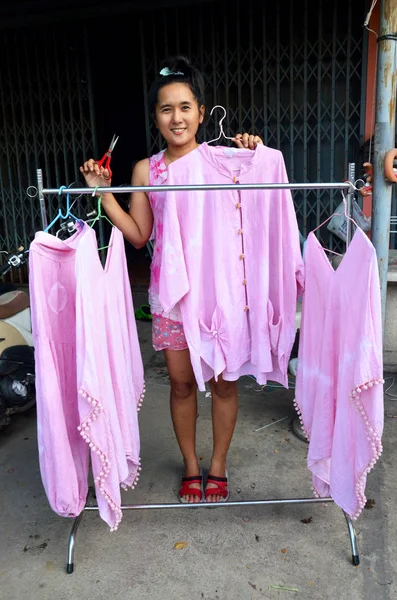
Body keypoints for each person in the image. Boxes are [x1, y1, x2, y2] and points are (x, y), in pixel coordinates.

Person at [80, 56, 263, 504]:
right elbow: (141, 235)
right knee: (181, 383)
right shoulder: (147, 171)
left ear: (202, 112)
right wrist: (103, 194)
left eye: (185, 107)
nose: (176, 117)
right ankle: (191, 466)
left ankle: (218, 465)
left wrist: (253, 152)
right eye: (166, 109)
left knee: (223, 382)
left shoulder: (226, 162)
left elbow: (258, 207)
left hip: (219, 292)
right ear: (156, 117)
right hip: (171, 297)